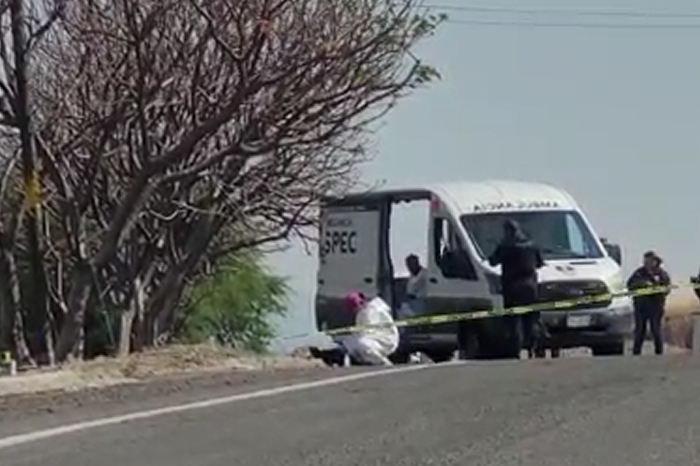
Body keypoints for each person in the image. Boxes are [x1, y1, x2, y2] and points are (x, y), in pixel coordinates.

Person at [488, 219, 545, 359]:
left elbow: (492, 261)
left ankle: (516, 350)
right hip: (531, 287)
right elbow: (539, 263)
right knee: (531, 319)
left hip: (512, 288)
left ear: (507, 231)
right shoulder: (532, 245)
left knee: (513, 320)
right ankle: (534, 346)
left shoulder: (505, 247)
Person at [628, 251, 671, 355]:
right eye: (646, 261)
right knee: (639, 331)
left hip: (655, 307)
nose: (647, 263)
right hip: (641, 307)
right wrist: (642, 284)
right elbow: (630, 284)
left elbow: (666, 288)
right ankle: (636, 354)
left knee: (655, 330)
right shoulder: (639, 273)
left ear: (655, 261)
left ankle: (659, 353)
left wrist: (655, 287)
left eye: (650, 261)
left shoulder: (661, 274)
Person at [339, 292, 400, 366]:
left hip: (385, 339)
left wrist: (353, 333)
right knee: (351, 343)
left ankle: (383, 362)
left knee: (362, 344)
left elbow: (367, 331)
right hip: (378, 337)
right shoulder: (363, 312)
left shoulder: (371, 311)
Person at [400, 254, 428, 319]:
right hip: (410, 301)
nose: (409, 267)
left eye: (411, 264)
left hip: (420, 301)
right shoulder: (412, 276)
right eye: (408, 265)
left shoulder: (424, 274)